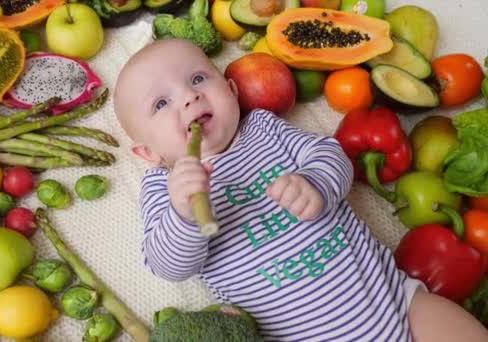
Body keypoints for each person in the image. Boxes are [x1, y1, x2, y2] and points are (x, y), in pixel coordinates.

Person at [113, 38, 488, 341]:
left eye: (198, 79)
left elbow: (333, 155)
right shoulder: (164, 186)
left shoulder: (263, 128)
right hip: (297, 332)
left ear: (231, 90)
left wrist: (316, 182)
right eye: (161, 103)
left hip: (392, 300)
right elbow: (168, 265)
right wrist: (183, 214)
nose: (188, 97)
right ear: (147, 152)